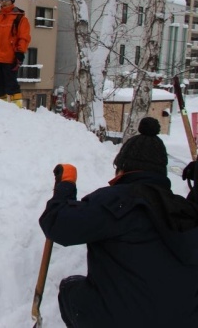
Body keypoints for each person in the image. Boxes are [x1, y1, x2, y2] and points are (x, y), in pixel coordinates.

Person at [39, 117, 198, 328]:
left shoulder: (117, 201)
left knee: (70, 290)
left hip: (123, 320)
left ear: (122, 168)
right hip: (184, 320)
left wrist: (65, 186)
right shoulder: (184, 210)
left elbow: (57, 224)